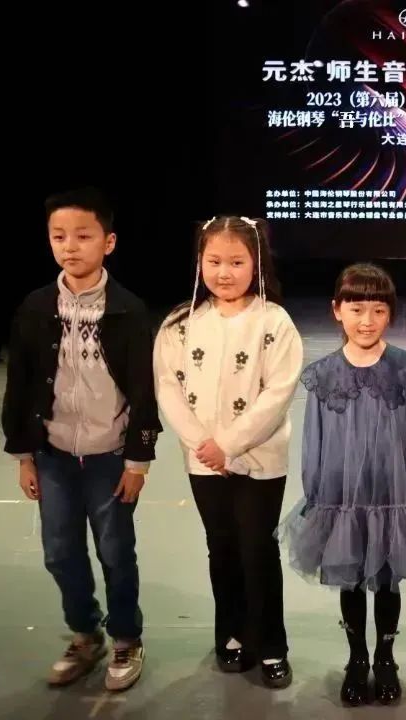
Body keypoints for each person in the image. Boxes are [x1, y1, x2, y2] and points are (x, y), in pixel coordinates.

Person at [1, 187, 161, 691]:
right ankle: (85, 634)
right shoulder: (35, 307)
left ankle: (127, 637)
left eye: (83, 236)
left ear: (108, 242)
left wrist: (138, 461)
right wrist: (24, 455)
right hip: (53, 456)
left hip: (110, 457)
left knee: (116, 553)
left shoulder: (129, 310)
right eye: (58, 236)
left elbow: (145, 390)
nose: (70, 246)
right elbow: (19, 384)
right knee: (59, 552)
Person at [277, 263, 406, 706]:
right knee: (350, 580)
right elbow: (314, 440)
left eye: (378, 310)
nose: (367, 321)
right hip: (341, 499)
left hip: (393, 497)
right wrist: (316, 498)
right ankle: (357, 659)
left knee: (389, 581)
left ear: (390, 313)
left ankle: (385, 659)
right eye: (356, 309)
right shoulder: (323, 374)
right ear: (337, 311)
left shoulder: (405, 370)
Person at [153, 216, 303, 687]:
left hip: (261, 461)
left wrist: (230, 444)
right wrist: (203, 445)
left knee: (258, 549)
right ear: (199, 263)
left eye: (237, 262)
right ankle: (232, 635)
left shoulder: (274, 322)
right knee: (221, 547)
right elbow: (167, 387)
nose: (224, 272)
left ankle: (271, 644)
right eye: (214, 261)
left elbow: (278, 392)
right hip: (203, 461)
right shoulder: (180, 324)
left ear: (256, 263)